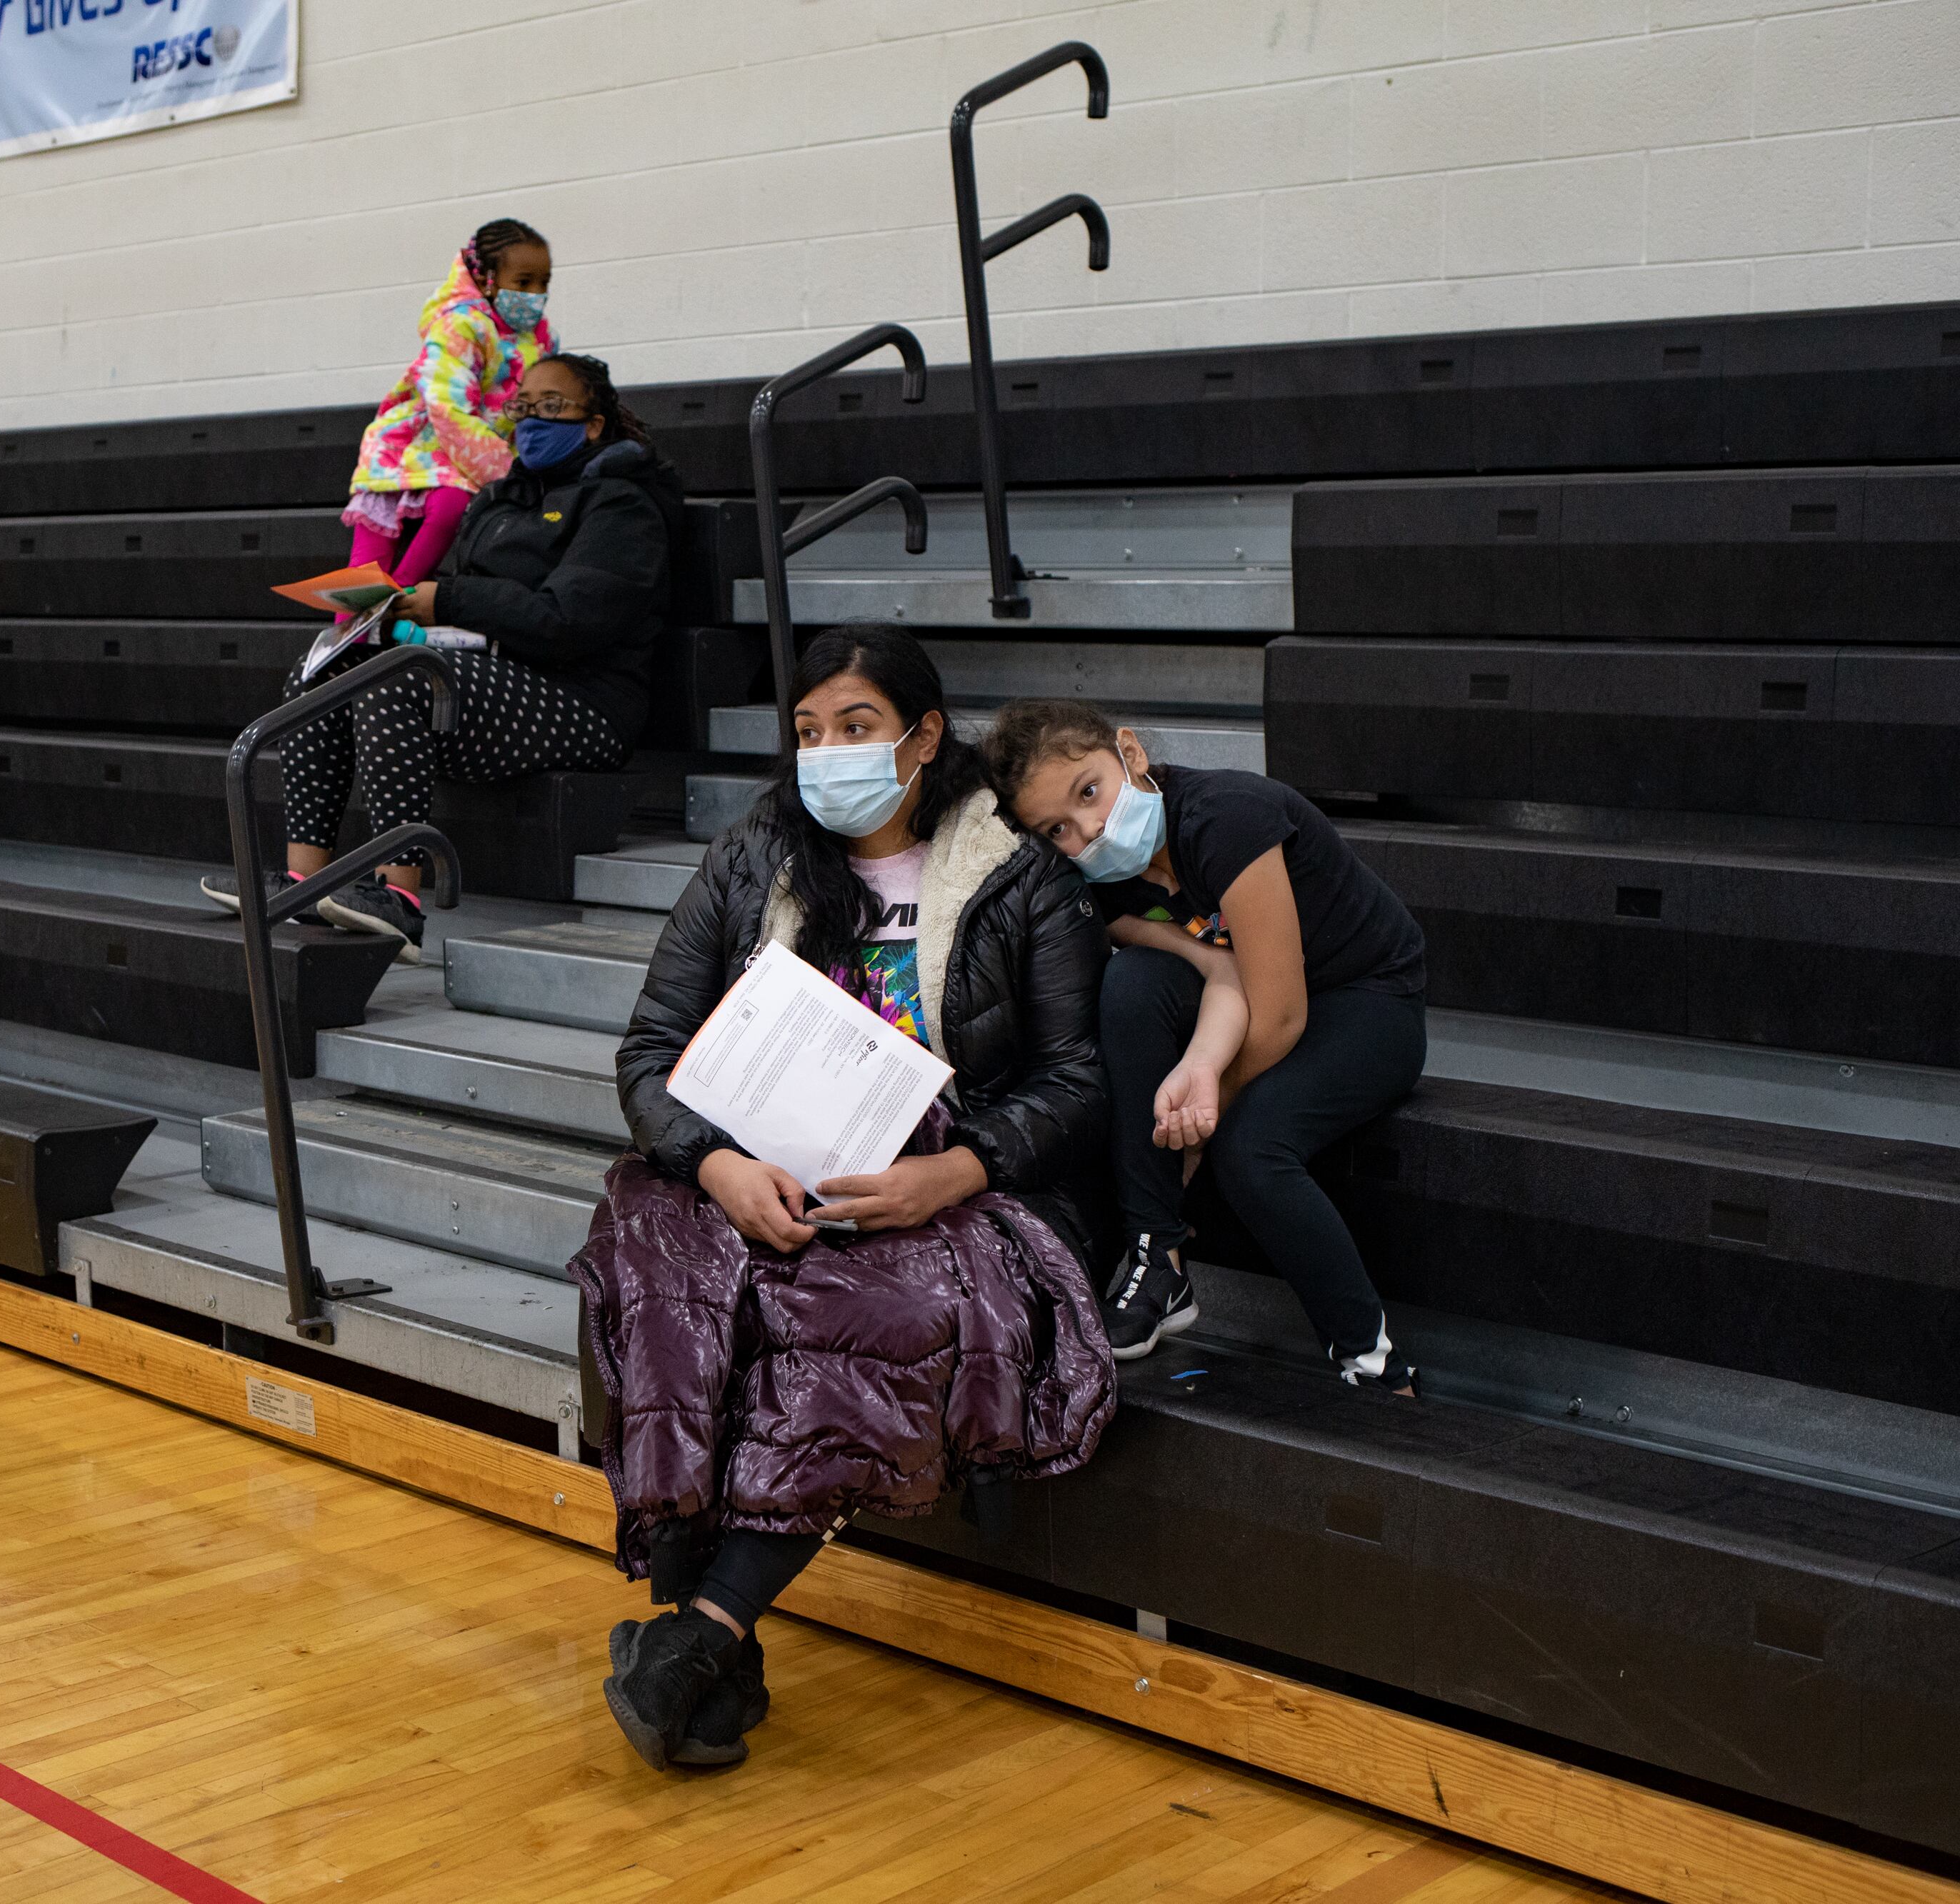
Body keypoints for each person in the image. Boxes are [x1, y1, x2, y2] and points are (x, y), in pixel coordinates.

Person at [574, 627, 1116, 1772]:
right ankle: (707, 1644)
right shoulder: (751, 856)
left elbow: (1075, 1080)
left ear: (923, 737)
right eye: (809, 732)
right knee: (667, 1273)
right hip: (753, 1164)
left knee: (850, 1311)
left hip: (945, 1180)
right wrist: (716, 1165)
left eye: (856, 728)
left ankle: (703, 1631)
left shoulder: (1019, 877)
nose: (827, 754)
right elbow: (647, 1054)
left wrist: (949, 1172)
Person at [989, 701, 1429, 1393]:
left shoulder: (1225, 817)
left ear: (1128, 754)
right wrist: (1197, 1065)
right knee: (1133, 983)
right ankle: (1155, 1250)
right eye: (1058, 829)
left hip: (1366, 1000)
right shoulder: (1102, 883)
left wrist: (1204, 1112)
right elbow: (1223, 971)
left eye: (1088, 791)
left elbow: (1279, 1014)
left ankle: (1372, 1364)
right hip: (1248, 995)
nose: (1089, 830)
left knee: (1250, 1148)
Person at [204, 353, 679, 961]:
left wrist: (449, 598)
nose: (532, 419)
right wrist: (397, 610)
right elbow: (473, 606)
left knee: (396, 681)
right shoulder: (500, 500)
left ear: (594, 424)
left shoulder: (624, 505)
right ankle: (302, 882)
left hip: (583, 700)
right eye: (523, 406)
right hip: (493, 675)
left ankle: (398, 899)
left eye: (552, 406)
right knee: (320, 669)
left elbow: (567, 622)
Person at [341, 216, 555, 591]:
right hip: (409, 447)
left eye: (544, 283)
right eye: (523, 283)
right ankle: (352, 633)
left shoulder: (542, 340)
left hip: (469, 459)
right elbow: (449, 411)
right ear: (488, 279)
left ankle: (403, 595)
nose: (535, 294)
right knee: (366, 569)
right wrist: (509, 475)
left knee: (452, 505)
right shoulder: (460, 326)